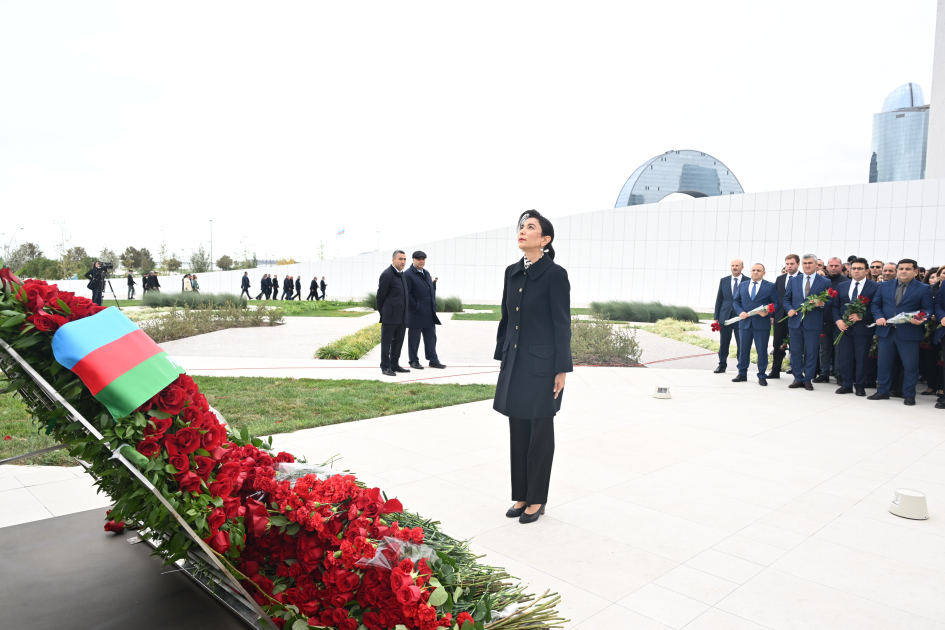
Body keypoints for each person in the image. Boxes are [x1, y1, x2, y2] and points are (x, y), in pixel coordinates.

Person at [494, 210, 571, 525]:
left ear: (545, 239)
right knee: (518, 429)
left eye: (530, 227)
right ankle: (522, 494)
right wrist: (503, 355)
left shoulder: (555, 274)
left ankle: (537, 499)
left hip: (543, 366)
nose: (522, 231)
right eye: (521, 227)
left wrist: (561, 368)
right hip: (515, 363)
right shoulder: (512, 271)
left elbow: (561, 324)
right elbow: (505, 316)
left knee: (540, 430)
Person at [868, 259, 933, 406]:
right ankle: (883, 391)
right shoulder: (884, 286)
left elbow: (928, 309)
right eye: (901, 268)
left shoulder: (923, 288)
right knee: (883, 364)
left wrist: (921, 317)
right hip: (886, 331)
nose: (904, 271)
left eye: (908, 269)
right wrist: (879, 317)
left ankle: (909, 394)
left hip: (909, 332)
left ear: (915, 271)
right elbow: (875, 305)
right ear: (897, 270)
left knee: (910, 365)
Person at [784, 254, 833, 389]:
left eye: (810, 263)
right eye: (805, 263)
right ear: (801, 264)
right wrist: (789, 309)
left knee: (811, 352)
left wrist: (821, 303)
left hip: (813, 322)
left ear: (816, 264)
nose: (807, 265)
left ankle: (807, 379)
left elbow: (831, 301)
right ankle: (798, 378)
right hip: (795, 321)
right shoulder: (794, 280)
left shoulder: (824, 282)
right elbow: (786, 299)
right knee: (796, 351)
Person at [832, 258, 877, 396]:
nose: (856, 271)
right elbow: (835, 306)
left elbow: (876, 308)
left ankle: (860, 386)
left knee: (862, 358)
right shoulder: (842, 286)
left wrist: (862, 316)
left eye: (860, 268)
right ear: (850, 269)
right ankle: (846, 384)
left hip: (863, 329)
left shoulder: (875, 287)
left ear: (866, 270)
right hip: (844, 329)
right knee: (845, 357)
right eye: (854, 268)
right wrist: (838, 321)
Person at [732, 263, 779, 386]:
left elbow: (775, 303)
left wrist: (768, 312)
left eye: (758, 270)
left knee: (762, 351)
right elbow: (736, 301)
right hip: (745, 323)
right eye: (753, 270)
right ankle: (742, 373)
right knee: (743, 350)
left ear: (764, 273)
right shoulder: (742, 285)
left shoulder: (770, 286)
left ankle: (762, 375)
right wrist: (740, 312)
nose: (755, 272)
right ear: (750, 271)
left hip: (761, 324)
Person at [405, 251, 446, 370]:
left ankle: (433, 360)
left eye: (423, 259)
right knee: (414, 339)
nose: (421, 261)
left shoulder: (426, 273)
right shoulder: (408, 274)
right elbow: (407, 294)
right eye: (418, 259)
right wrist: (416, 307)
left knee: (431, 338)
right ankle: (413, 361)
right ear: (413, 260)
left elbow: (429, 291)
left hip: (429, 312)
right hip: (416, 313)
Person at [377, 251, 410, 376]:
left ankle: (394, 364)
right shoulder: (387, 274)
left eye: (404, 259)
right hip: (390, 317)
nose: (403, 262)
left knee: (398, 342)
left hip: (402, 317)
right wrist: (383, 312)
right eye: (400, 259)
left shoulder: (402, 275)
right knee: (386, 343)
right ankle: (385, 366)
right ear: (393, 260)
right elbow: (380, 297)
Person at [815, 257, 848, 384]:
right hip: (823, 320)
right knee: (824, 349)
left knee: (839, 349)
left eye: (836, 266)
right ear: (826, 267)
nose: (833, 268)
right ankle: (824, 373)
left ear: (841, 267)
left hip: (839, 321)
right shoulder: (822, 281)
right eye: (831, 265)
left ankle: (839, 374)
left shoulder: (846, 282)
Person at [768, 254, 800, 379]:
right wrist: (772, 315)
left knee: (796, 345)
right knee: (778, 344)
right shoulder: (780, 279)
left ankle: (797, 372)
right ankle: (775, 371)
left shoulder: (803, 278)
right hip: (780, 316)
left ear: (798, 264)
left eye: (792, 264)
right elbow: (775, 298)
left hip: (796, 316)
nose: (789, 266)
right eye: (787, 264)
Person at [712, 259, 745, 373]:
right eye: (732, 265)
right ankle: (722, 365)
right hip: (725, 316)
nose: (734, 267)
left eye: (737, 265)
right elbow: (719, 300)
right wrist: (716, 318)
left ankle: (741, 366)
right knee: (724, 342)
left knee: (741, 342)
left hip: (740, 317)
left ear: (742, 267)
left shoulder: (747, 281)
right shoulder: (724, 280)